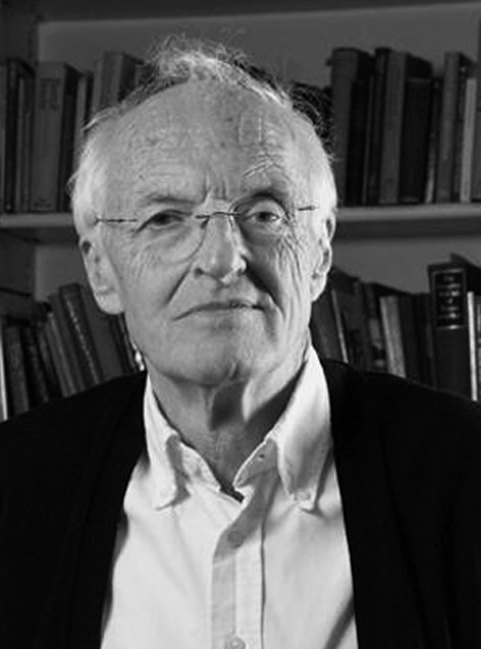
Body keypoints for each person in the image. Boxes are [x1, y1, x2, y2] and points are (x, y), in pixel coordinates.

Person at [0, 37, 480, 649]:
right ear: (101, 269)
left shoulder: (467, 471)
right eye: (165, 219)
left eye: (265, 214)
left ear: (320, 253)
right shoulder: (14, 485)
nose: (223, 260)